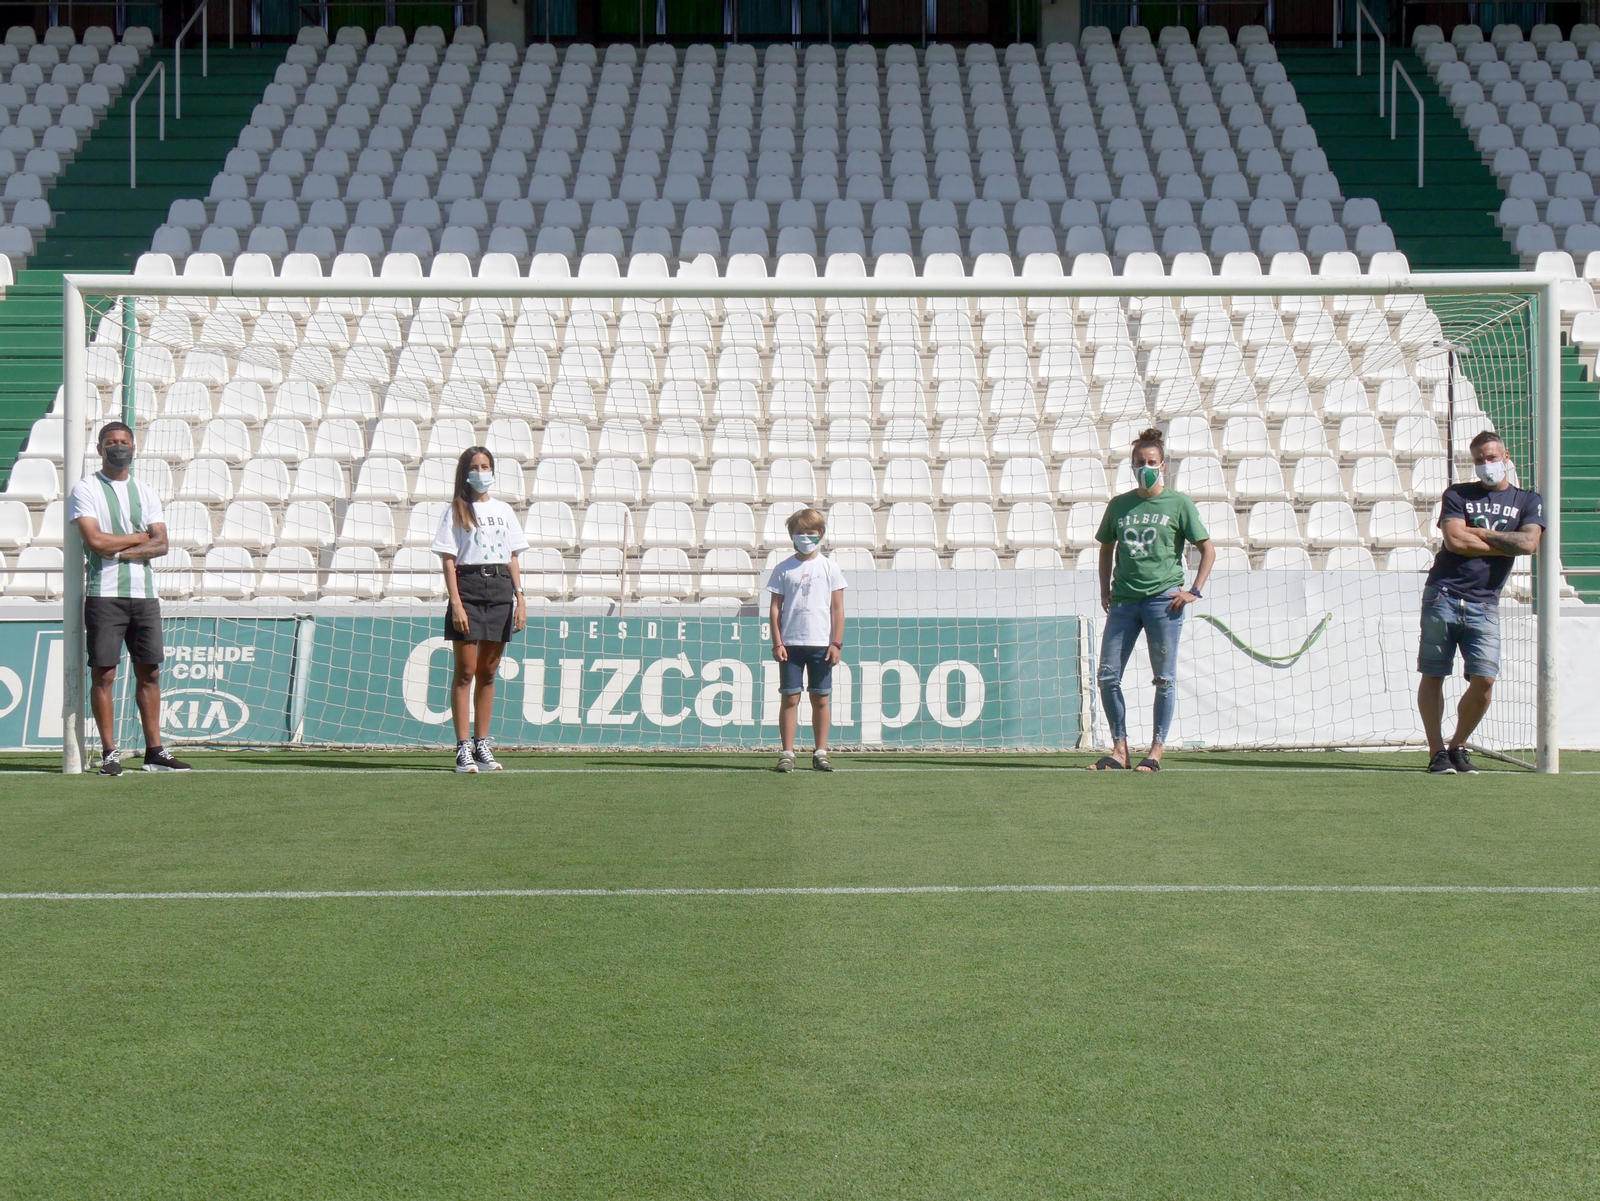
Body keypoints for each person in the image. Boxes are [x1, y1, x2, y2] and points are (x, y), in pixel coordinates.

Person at [1417, 430, 1544, 774]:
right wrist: (1505, 542)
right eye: (1478, 460)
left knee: (1485, 680)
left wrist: (1481, 532)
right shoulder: (1458, 493)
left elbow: (1528, 544)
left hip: (1486, 602)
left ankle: (1458, 744)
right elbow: (1456, 542)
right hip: (1443, 593)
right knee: (1434, 674)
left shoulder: (1527, 500)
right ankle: (1436, 751)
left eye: (1491, 458)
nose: (1485, 465)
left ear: (1505, 457)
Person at [67, 422, 190, 775]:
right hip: (104, 595)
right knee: (104, 675)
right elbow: (95, 541)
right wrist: (138, 538)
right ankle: (110, 753)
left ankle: (155, 751)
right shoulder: (86, 488)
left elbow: (161, 544)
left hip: (144, 596)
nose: (118, 447)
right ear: (100, 448)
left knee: (150, 673)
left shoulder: (145, 491)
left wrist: (118, 549)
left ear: (134, 448)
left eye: (124, 442)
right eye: (111, 442)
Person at [1090, 428, 1215, 773]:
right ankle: (1119, 750)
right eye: (1139, 462)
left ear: (1162, 465)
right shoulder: (1119, 505)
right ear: (1131, 465)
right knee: (1107, 676)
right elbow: (1106, 548)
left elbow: (1207, 549)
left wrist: (1194, 590)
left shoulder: (1179, 503)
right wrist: (1104, 589)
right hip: (1124, 602)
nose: (1145, 467)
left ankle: (1156, 750)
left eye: (1151, 462)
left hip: (1164, 602)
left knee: (1164, 679)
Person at [433, 446, 528, 773]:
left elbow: (512, 555)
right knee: (466, 671)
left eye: (486, 466)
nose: (481, 472)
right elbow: (448, 559)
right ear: (465, 472)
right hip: (469, 587)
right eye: (475, 466)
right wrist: (456, 603)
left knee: (488, 672)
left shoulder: (504, 510)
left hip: (500, 588)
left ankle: (482, 744)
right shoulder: (455, 511)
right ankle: (462, 748)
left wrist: (520, 597)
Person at [764, 507, 847, 773]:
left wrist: (836, 643)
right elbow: (775, 608)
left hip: (822, 644)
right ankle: (787, 752)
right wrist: (777, 642)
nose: (805, 537)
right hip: (791, 645)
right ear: (792, 535)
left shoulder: (830, 567)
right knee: (790, 698)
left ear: (820, 534)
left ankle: (820, 752)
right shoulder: (783, 568)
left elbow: (837, 608)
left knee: (820, 698)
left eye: (810, 532)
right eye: (799, 532)